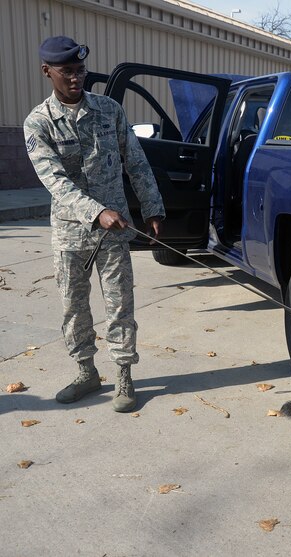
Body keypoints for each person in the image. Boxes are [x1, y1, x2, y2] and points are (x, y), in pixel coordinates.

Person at [24, 36, 165, 413]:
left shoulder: (109, 110)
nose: (75, 78)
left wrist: (153, 208)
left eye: (80, 70)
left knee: (120, 305)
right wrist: (96, 211)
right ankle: (86, 372)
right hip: (70, 233)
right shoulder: (38, 123)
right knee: (74, 307)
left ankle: (123, 375)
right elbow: (55, 181)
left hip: (114, 233)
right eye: (66, 71)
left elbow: (136, 162)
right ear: (47, 72)